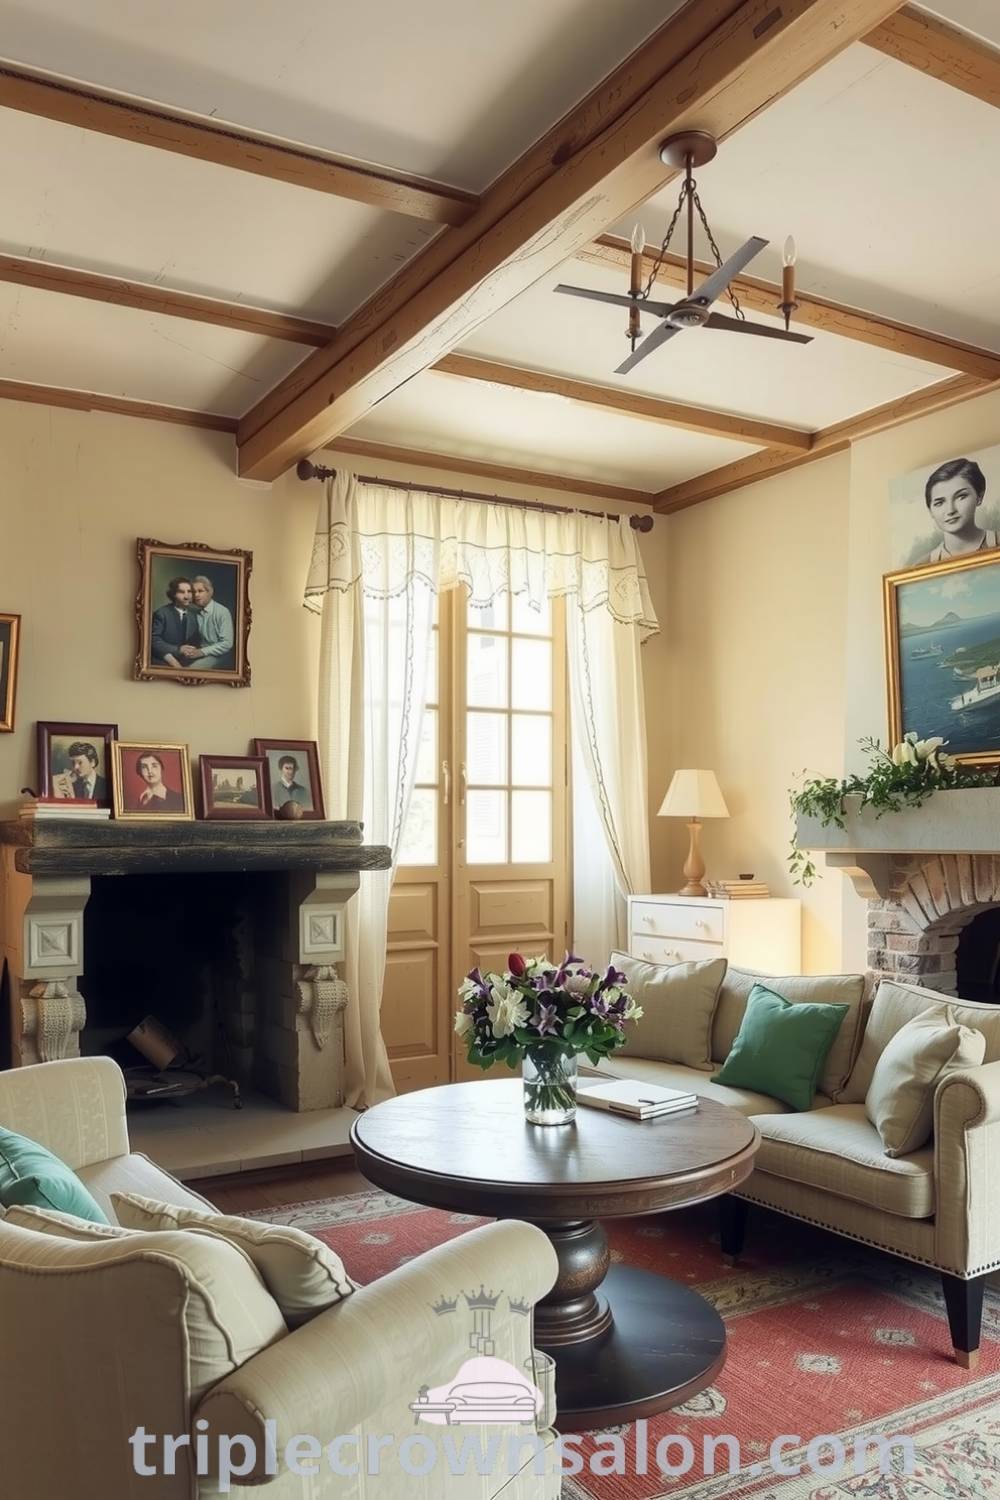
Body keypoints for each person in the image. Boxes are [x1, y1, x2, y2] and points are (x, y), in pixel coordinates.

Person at [919, 458, 998, 564]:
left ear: (979, 496)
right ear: (930, 511)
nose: (951, 510)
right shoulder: (922, 566)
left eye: (961, 496)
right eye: (939, 503)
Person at [180, 575, 235, 671]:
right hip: (201, 652)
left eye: (200, 591)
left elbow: (227, 644)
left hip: (220, 655)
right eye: (194, 592)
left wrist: (201, 652)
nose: (196, 595)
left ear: (210, 592)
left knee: (190, 670)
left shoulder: (222, 612)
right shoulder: (195, 612)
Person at [150, 578, 201, 668]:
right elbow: (153, 640)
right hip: (164, 657)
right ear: (173, 594)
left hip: (187, 659)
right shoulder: (161, 613)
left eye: (189, 592)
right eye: (181, 592)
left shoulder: (194, 614)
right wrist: (178, 650)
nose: (187, 596)